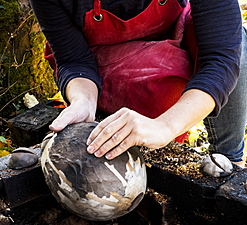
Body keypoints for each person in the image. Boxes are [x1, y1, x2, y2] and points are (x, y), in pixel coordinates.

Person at [30, 0, 247, 166]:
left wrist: (165, 126)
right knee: (164, 89)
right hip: (101, 55)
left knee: (239, 47)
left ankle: (229, 158)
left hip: (172, 28)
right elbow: (74, 60)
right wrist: (83, 100)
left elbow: (221, 57)